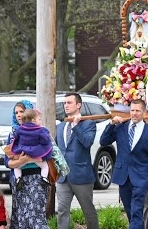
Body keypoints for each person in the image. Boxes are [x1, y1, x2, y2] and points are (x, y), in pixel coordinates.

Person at [100, 99, 148, 229]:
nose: (134, 113)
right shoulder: (120, 127)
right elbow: (103, 141)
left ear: (144, 112)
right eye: (132, 110)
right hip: (123, 176)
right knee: (131, 213)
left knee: (136, 211)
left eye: (137, 111)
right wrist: (111, 124)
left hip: (141, 178)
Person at [56, 92, 99, 229]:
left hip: (82, 176)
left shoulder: (88, 124)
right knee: (62, 211)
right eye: (65, 103)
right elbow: (57, 150)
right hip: (63, 177)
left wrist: (75, 127)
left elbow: (87, 142)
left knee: (88, 211)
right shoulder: (60, 126)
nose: (66, 105)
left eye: (69, 103)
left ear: (78, 105)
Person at [4, 100, 49, 229]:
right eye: (16, 112)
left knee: (35, 217)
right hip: (19, 182)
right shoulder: (13, 133)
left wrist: (34, 156)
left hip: (37, 179)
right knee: (21, 217)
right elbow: (6, 161)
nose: (18, 115)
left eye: (22, 112)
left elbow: (51, 154)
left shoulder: (41, 130)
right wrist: (19, 162)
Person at [11, 109, 53, 189]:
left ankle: (18, 178)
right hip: (36, 155)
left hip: (23, 154)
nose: (40, 121)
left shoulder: (19, 129)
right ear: (34, 120)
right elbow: (45, 140)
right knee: (44, 166)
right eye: (39, 119)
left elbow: (15, 137)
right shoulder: (40, 130)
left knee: (16, 167)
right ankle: (44, 178)